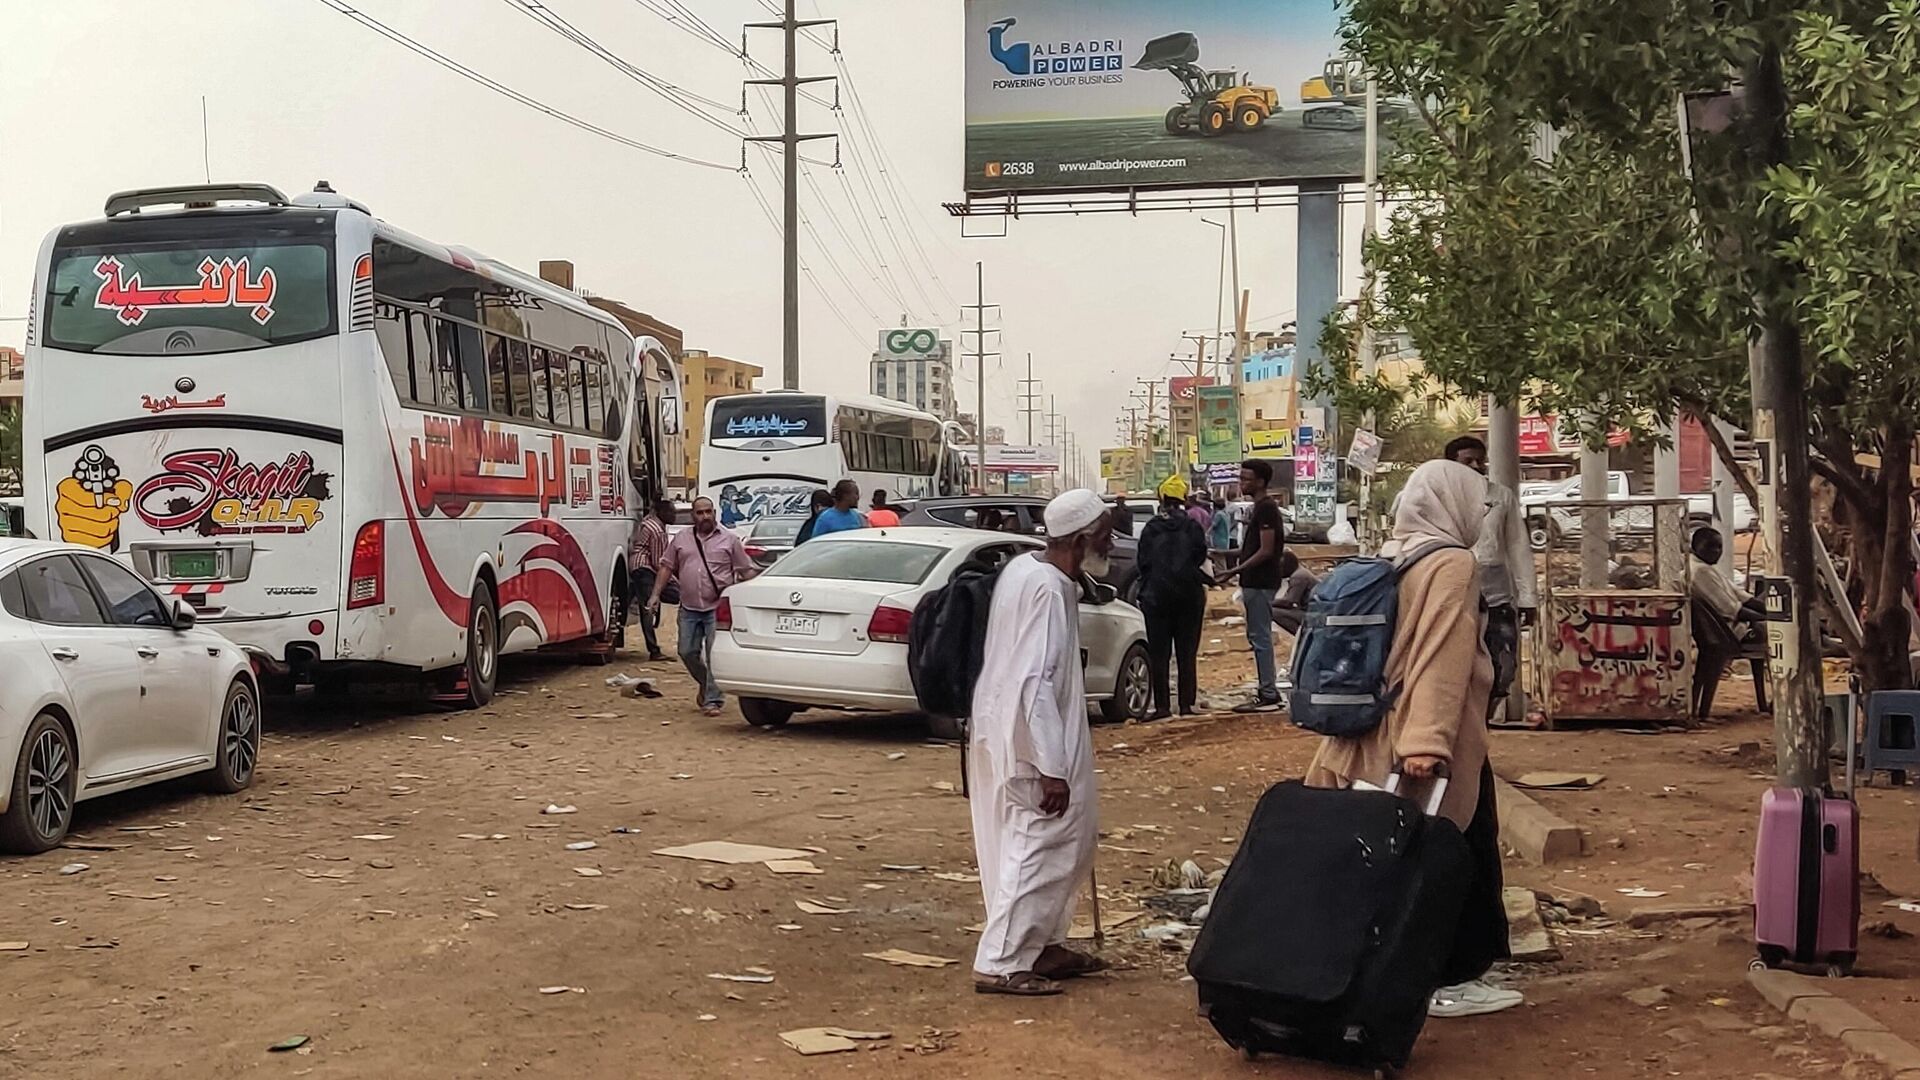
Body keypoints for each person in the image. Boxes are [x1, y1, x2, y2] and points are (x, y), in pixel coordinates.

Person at [1303, 460, 1516, 1019]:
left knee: (1394, 854)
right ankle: (1450, 976)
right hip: (1425, 740)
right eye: (1478, 503)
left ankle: (1373, 967)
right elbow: (1441, 654)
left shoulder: (1397, 554)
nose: (1482, 514)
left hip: (1373, 732)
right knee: (1448, 853)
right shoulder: (1452, 563)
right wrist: (1430, 743)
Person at [967, 488, 1114, 997]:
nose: (1111, 543)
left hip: (1012, 729)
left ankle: (1044, 946)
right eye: (1104, 535)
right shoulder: (1046, 589)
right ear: (1079, 540)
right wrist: (1050, 765)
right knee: (1040, 846)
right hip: (1032, 741)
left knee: (1068, 844)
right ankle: (1003, 961)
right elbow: (1035, 682)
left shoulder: (1031, 572)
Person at [1443, 436, 1538, 716]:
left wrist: (1528, 597)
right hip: (1450, 599)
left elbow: (1518, 547)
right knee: (1453, 674)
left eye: (1479, 460)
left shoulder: (1501, 497)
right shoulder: (1438, 496)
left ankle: (1481, 727)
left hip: (1496, 599)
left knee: (1502, 672)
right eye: (1467, 461)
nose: (1475, 466)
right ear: (1451, 464)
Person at [647, 497, 757, 717]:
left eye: (708, 512)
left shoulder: (730, 540)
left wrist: (758, 590)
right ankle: (707, 684)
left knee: (713, 655)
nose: (705, 516)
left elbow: (746, 571)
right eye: (700, 513)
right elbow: (666, 567)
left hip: (717, 608)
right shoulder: (681, 539)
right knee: (686, 651)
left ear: (714, 513)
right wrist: (655, 595)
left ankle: (713, 700)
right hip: (689, 607)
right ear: (693, 516)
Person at [1137, 475, 1211, 719]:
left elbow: (1143, 562)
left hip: (1156, 598)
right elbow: (1200, 556)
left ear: (1162, 497)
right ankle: (1186, 705)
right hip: (1189, 596)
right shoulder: (1192, 526)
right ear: (1183, 499)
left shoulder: (1151, 527)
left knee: (1159, 655)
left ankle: (1162, 707)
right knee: (1186, 654)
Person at [1216, 459, 1286, 712]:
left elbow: (1266, 550)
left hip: (1260, 581)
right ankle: (1267, 689)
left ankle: (1268, 693)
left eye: (1246, 479)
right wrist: (1221, 552)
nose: (1242, 482)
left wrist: (1234, 570)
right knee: (1257, 635)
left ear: (1260, 481)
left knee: (1260, 637)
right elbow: (1251, 549)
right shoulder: (1258, 508)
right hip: (1254, 581)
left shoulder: (1266, 509)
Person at [1690, 527, 1766, 638]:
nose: (1716, 551)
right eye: (1709, 546)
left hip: (1739, 625)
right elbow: (1734, 611)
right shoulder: (1700, 571)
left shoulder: (1706, 567)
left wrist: (1770, 610)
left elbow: (1743, 596)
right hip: (1734, 632)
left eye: (1719, 547)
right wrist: (1768, 618)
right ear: (1695, 547)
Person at [628, 497, 671, 662]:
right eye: (672, 512)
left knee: (638, 605)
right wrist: (671, 580)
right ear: (662, 513)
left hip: (636, 567)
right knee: (648, 608)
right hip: (645, 569)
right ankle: (654, 650)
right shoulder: (658, 531)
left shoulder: (648, 522)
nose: (675, 516)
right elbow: (658, 562)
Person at [1270, 550, 1321, 638]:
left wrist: (1267, 603)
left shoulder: (1298, 576)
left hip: (1313, 614)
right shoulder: (1301, 572)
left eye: (1280, 568)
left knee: (1271, 612)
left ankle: (1302, 635)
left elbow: (1289, 602)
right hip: (1312, 611)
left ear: (1288, 566)